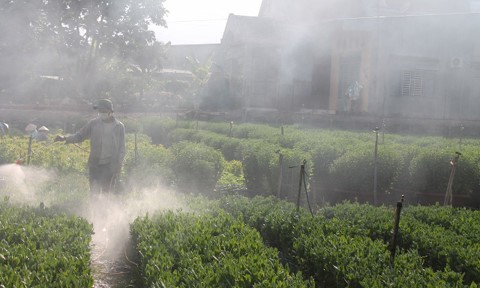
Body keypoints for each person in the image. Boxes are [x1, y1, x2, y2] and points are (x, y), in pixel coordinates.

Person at [55, 99, 125, 193]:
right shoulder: (93, 124)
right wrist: (65, 138)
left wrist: (119, 164)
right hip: (95, 164)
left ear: (110, 111)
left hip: (110, 166)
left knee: (107, 192)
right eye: (99, 111)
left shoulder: (119, 126)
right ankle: (92, 207)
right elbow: (80, 136)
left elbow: (122, 148)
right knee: (94, 192)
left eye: (103, 111)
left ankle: (106, 208)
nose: (101, 113)